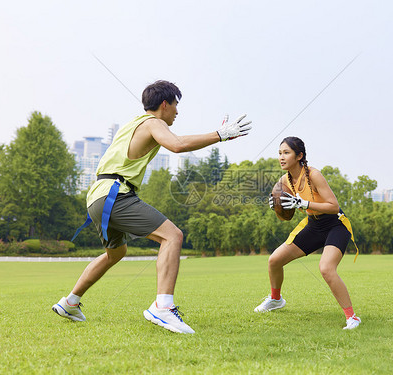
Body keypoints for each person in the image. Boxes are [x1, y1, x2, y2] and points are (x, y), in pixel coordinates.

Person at [52, 80, 251, 334]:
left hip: (97, 197)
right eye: (176, 105)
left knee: (116, 253)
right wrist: (220, 135)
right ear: (164, 104)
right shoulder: (154, 123)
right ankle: (163, 307)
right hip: (115, 194)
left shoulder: (132, 124)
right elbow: (177, 145)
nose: (177, 112)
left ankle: (70, 302)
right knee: (173, 236)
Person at [254, 136, 361, 330]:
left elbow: (333, 206)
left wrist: (304, 204)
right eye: (279, 153)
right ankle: (276, 299)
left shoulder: (314, 175)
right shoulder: (283, 180)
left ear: (299, 156)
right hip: (313, 225)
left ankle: (352, 317)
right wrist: (275, 206)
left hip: (335, 224)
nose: (281, 157)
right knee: (274, 260)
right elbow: (284, 215)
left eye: (286, 153)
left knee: (326, 268)